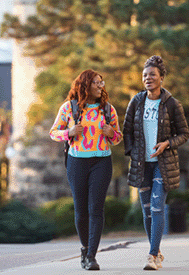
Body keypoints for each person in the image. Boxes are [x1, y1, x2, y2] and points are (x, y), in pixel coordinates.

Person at [50, 69, 123, 270]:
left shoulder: (108, 109)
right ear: (85, 85)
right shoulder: (69, 108)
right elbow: (54, 133)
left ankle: (91, 255)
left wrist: (112, 133)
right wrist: (69, 132)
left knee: (96, 209)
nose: (101, 86)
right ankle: (85, 247)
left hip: (101, 162)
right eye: (97, 82)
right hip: (77, 162)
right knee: (81, 210)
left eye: (102, 82)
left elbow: (117, 138)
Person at [123, 56, 189, 270]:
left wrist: (167, 144)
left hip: (163, 163)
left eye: (152, 74)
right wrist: (134, 152)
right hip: (143, 165)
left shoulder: (171, 103)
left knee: (158, 207)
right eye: (144, 75)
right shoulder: (136, 101)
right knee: (147, 211)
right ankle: (157, 251)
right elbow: (127, 131)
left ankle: (151, 255)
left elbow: (184, 133)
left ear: (161, 77)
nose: (147, 78)